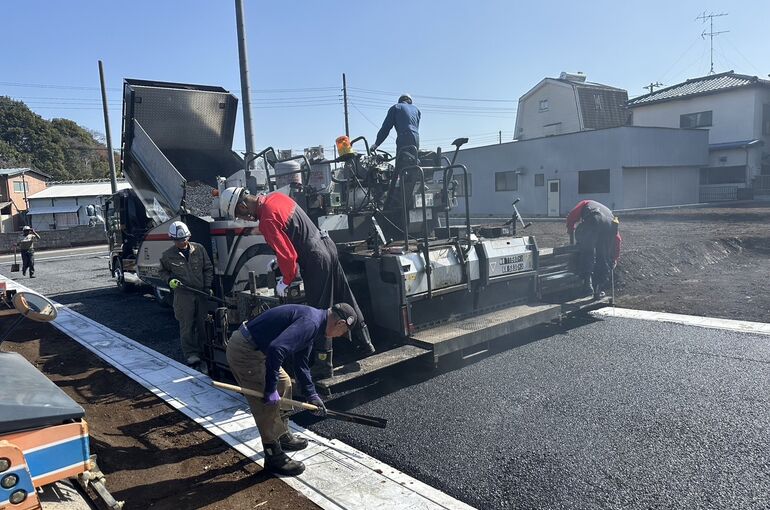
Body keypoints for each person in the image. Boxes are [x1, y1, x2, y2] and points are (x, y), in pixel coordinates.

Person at [220, 187, 376, 379]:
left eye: (239, 214)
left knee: (320, 311)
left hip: (315, 258)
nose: (244, 218)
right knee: (345, 293)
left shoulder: (266, 219)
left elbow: (289, 256)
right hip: (327, 245)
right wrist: (281, 259)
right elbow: (295, 232)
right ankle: (365, 342)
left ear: (243, 206)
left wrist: (286, 280)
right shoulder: (277, 197)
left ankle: (323, 363)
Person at [225, 303, 356, 476]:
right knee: (266, 404)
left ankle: (282, 435)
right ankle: (273, 455)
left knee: (284, 383)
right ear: (340, 324)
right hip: (246, 351)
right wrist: (270, 388)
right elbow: (276, 349)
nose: (340, 336)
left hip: (259, 349)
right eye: (343, 333)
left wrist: (312, 394)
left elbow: (301, 363)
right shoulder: (311, 323)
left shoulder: (316, 323)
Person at [159, 220, 214, 374]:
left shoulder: (199, 249)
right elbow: (162, 272)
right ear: (172, 239)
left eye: (183, 239)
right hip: (183, 296)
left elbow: (208, 268)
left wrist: (208, 286)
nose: (181, 243)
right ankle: (191, 355)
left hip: (200, 294)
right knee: (187, 325)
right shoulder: (168, 255)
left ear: (188, 237)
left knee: (202, 325)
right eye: (177, 240)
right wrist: (170, 281)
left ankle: (204, 352)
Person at [566, 200, 621, 299]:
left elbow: (572, 216)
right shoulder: (610, 213)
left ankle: (587, 286)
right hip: (610, 227)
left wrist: (570, 230)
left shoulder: (585, 202)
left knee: (588, 251)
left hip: (594, 220)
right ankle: (598, 289)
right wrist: (614, 258)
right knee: (603, 256)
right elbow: (617, 239)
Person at [370, 93, 421, 161]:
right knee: (412, 163)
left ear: (400, 100)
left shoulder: (396, 107)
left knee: (400, 164)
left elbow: (386, 128)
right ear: (410, 101)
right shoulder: (417, 110)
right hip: (416, 139)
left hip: (404, 137)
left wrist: (376, 144)